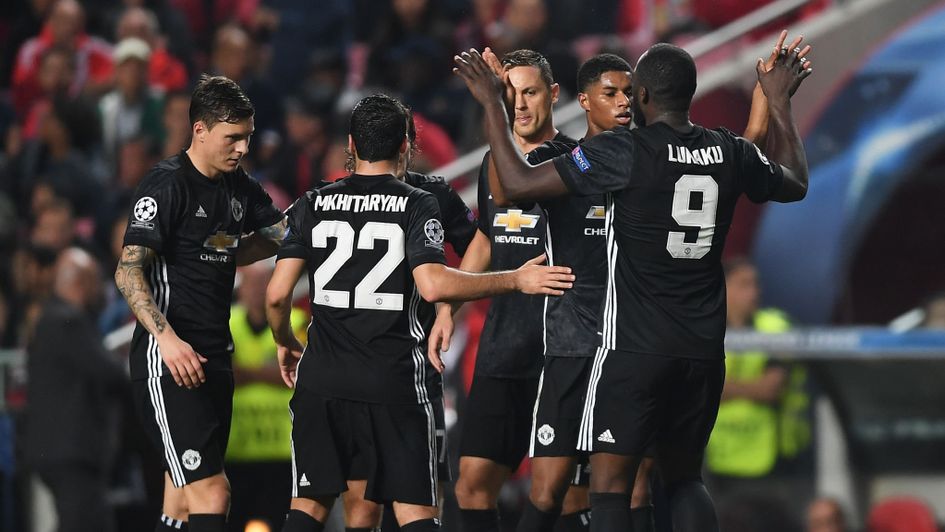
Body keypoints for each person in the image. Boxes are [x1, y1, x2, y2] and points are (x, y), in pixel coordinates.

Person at [453, 40, 812, 532]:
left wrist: (493, 102)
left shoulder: (626, 151)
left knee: (610, 487)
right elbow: (794, 180)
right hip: (703, 351)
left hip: (633, 348)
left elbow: (514, 185)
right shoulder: (727, 150)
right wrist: (779, 100)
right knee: (685, 479)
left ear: (642, 95)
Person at [265, 93, 574, 532]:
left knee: (311, 507)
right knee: (415, 510)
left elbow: (277, 295)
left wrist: (285, 340)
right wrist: (514, 279)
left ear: (350, 144)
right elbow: (440, 278)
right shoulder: (418, 201)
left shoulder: (314, 201)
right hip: (399, 378)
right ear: (406, 144)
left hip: (324, 380)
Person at [114, 74, 288, 532]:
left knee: (179, 502)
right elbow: (127, 272)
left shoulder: (238, 186)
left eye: (248, 137)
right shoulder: (166, 184)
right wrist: (168, 341)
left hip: (215, 359)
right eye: (233, 138)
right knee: (213, 493)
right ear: (200, 130)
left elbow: (279, 236)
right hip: (170, 363)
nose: (242, 148)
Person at [430, 48, 584, 532]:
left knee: (562, 494)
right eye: (508, 94)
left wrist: (490, 104)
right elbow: (486, 237)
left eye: (530, 92)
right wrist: (449, 310)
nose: (518, 104)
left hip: (561, 348)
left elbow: (516, 189)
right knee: (471, 485)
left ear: (554, 95)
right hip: (504, 346)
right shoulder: (493, 162)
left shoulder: (576, 161)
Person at [343, 110, 479, 532]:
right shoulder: (345, 197)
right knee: (376, 506)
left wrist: (447, 308)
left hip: (407, 367)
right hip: (374, 368)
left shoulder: (332, 196)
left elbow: (479, 244)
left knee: (413, 499)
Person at [25, 247, 127, 532]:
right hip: (70, 452)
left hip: (65, 451)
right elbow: (109, 372)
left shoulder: (54, 318)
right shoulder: (65, 321)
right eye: (96, 280)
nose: (100, 289)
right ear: (81, 282)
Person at [706, 257, 812, 515]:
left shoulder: (776, 327)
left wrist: (721, 388)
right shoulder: (704, 326)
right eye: (744, 285)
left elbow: (769, 389)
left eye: (756, 284)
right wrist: (744, 388)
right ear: (723, 287)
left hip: (774, 457)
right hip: (716, 456)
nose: (755, 292)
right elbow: (695, 386)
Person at [226, 261, 309, 531]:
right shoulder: (227, 323)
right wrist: (272, 373)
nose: (258, 290)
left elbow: (301, 374)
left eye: (265, 283)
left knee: (279, 522)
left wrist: (247, 373)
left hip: (283, 450)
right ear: (241, 289)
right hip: (237, 449)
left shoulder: (297, 322)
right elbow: (224, 375)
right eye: (252, 283)